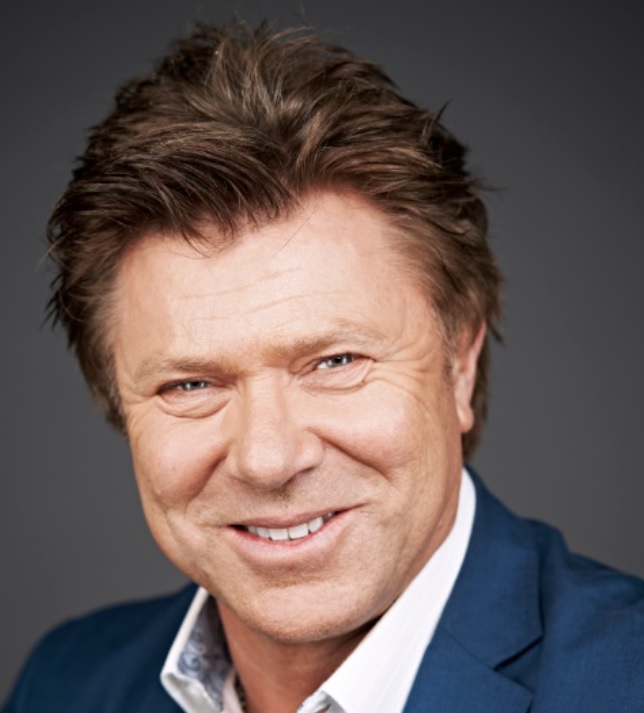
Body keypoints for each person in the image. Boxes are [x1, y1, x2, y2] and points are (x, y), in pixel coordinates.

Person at [3, 20, 643, 713]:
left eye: (336, 361)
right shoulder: (66, 684)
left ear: (459, 363)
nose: (268, 459)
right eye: (190, 384)